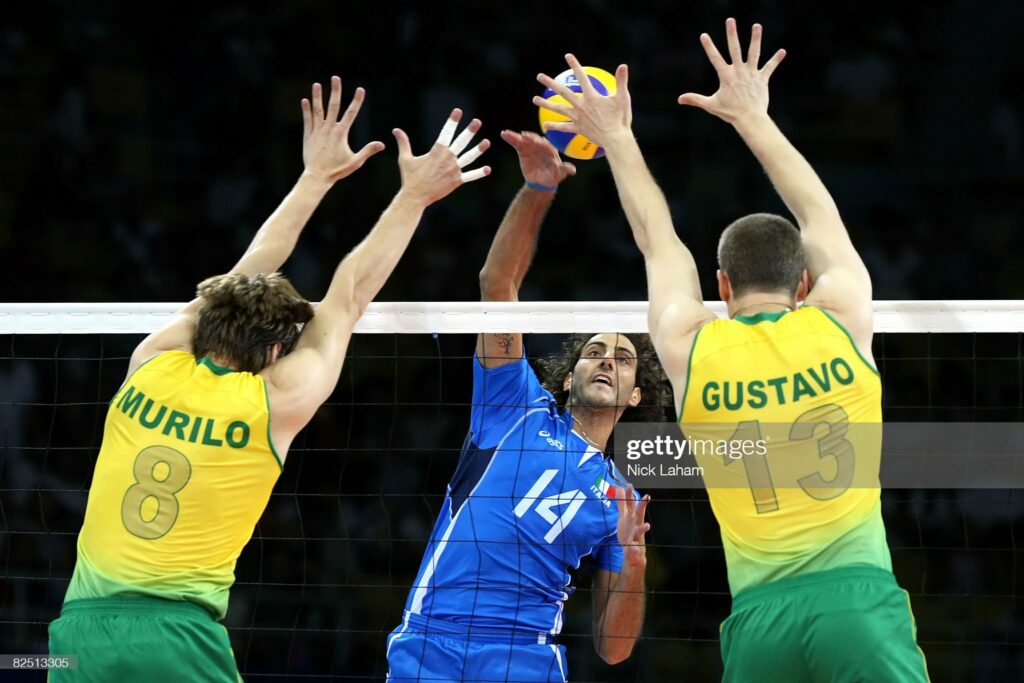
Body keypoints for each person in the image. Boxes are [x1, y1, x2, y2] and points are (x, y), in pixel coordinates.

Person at [48, 76, 492, 682]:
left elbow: (249, 267)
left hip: (75, 634)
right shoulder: (278, 399)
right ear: (278, 349)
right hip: (178, 635)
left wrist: (314, 177)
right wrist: (413, 196)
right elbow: (350, 293)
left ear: (209, 320)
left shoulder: (150, 363)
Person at [535, 19, 929, 683]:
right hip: (857, 606)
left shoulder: (692, 345)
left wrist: (619, 138)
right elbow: (819, 214)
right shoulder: (841, 318)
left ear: (720, 285)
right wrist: (753, 118)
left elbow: (657, 240)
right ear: (803, 282)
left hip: (758, 621)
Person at [386, 131, 668, 683]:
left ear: (635, 395)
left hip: (525, 656)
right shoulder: (514, 405)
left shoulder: (623, 500)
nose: (607, 361)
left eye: (623, 359)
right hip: (429, 644)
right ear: (567, 379)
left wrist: (634, 561)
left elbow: (613, 649)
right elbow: (498, 285)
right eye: (593, 352)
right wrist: (539, 187)